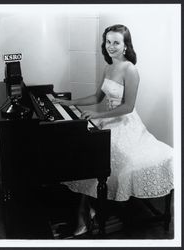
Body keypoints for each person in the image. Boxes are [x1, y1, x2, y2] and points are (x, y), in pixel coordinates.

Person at [53, 24, 173, 236]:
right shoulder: (109, 67)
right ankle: (86, 209)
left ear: (126, 45)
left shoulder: (130, 70)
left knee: (104, 160)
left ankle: (89, 211)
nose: (111, 46)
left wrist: (97, 115)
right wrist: (68, 103)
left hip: (126, 124)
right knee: (87, 154)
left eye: (116, 42)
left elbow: (128, 107)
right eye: (108, 42)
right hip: (108, 120)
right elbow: (97, 97)